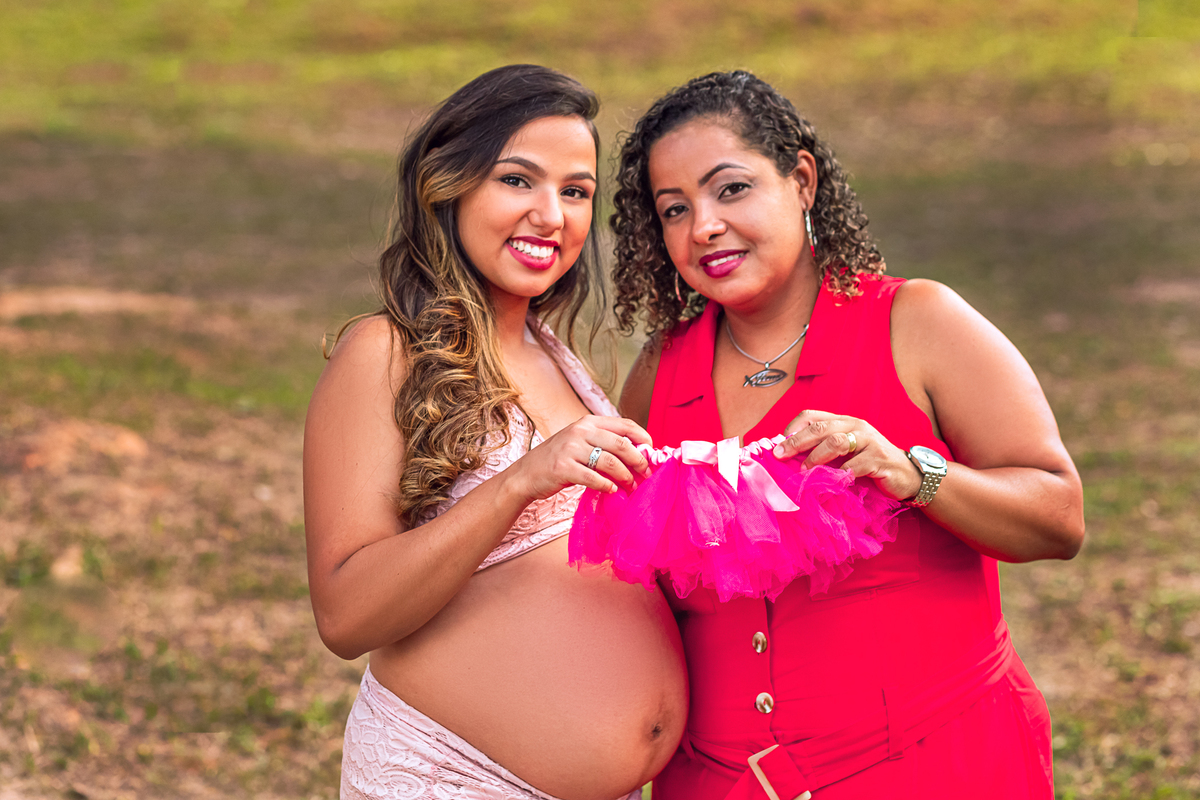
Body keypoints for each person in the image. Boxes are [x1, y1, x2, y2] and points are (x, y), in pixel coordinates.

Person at [610, 70, 1085, 799]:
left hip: (935, 768)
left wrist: (914, 475)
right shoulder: (657, 375)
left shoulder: (919, 323)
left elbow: (1059, 517)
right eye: (674, 209)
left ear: (801, 180)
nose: (703, 226)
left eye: (731, 189)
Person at [303, 64, 688, 800]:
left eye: (575, 191)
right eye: (518, 180)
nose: (551, 215)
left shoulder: (558, 358)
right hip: (450, 779)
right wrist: (519, 483)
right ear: (449, 186)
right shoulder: (385, 353)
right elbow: (344, 615)